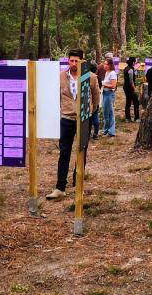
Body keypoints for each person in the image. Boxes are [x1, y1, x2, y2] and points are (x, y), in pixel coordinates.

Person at [48, 49, 101, 200]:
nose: (73, 63)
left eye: (76, 61)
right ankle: (60, 187)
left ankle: (78, 185)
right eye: (71, 60)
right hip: (66, 119)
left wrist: (91, 110)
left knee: (82, 151)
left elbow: (96, 96)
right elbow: (57, 95)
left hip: (84, 119)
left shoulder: (90, 77)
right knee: (64, 152)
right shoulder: (61, 77)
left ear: (82, 61)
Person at [101, 53, 118, 137]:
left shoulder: (112, 73)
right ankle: (108, 130)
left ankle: (109, 131)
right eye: (104, 63)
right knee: (107, 112)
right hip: (105, 93)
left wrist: (103, 84)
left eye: (106, 64)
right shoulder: (107, 73)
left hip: (109, 94)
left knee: (108, 113)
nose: (104, 65)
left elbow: (113, 85)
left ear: (110, 65)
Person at [87, 53, 101, 140]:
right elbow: (96, 92)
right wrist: (96, 104)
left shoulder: (83, 76)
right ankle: (95, 133)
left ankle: (87, 134)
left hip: (86, 100)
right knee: (95, 117)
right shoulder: (95, 77)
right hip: (93, 101)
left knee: (87, 119)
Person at [123, 56, 140, 122]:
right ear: (133, 62)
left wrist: (137, 67)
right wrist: (134, 89)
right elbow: (131, 81)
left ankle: (128, 118)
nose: (135, 62)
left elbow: (131, 71)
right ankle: (137, 118)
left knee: (128, 102)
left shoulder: (126, 68)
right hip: (130, 88)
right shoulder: (130, 70)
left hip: (125, 87)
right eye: (135, 61)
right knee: (136, 102)